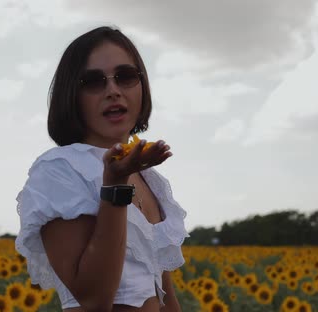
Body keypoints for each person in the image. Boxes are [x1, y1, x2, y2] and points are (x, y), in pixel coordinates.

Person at [15, 25, 189, 312]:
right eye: (93, 82)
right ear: (72, 94)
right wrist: (115, 185)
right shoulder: (59, 169)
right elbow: (95, 300)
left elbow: (165, 294)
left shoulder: (149, 176)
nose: (113, 91)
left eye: (126, 77)